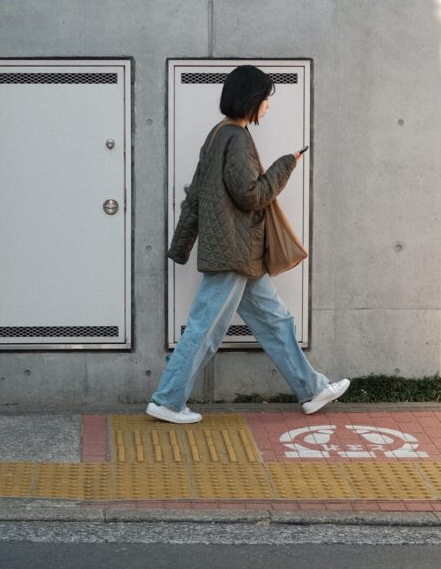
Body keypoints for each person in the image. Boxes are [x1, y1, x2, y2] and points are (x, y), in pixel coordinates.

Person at [146, 65, 349, 425]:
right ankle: (167, 400)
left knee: (276, 322)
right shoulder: (236, 139)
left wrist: (182, 245)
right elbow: (250, 196)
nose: (268, 106)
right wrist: (286, 166)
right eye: (266, 99)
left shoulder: (216, 135)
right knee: (204, 329)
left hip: (239, 251)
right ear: (251, 100)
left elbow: (195, 196)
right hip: (234, 252)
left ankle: (312, 389)